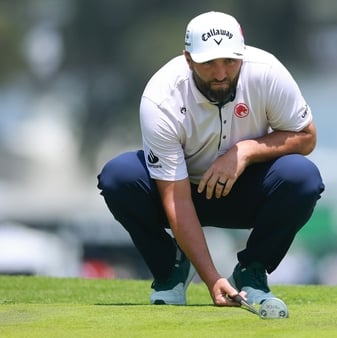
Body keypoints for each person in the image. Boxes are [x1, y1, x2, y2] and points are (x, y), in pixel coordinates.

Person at [96, 11, 324, 310]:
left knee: (302, 177)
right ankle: (171, 268)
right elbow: (175, 197)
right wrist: (212, 278)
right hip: (182, 192)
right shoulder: (161, 96)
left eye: (230, 61)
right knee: (119, 177)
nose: (220, 74)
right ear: (188, 59)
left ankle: (251, 272)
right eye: (208, 63)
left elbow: (306, 137)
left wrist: (245, 151)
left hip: (246, 192)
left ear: (242, 54)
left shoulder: (267, 72)